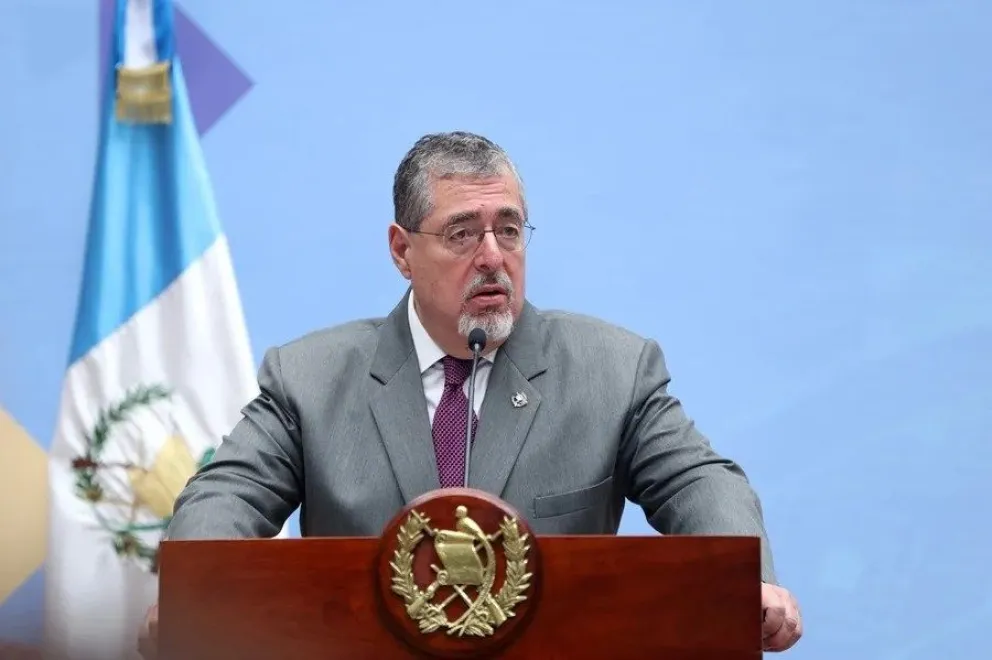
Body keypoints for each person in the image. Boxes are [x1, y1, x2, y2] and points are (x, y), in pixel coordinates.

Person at [138, 131, 802, 655]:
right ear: (402, 250)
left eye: (508, 229)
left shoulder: (613, 369)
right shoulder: (311, 378)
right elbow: (227, 494)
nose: (492, 255)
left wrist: (751, 582)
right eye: (462, 232)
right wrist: (200, 593)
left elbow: (698, 481)